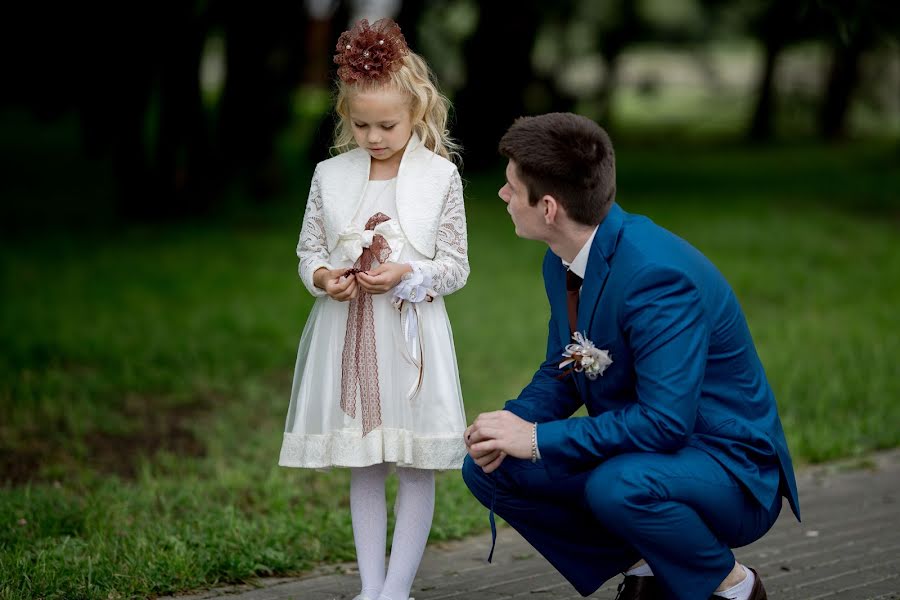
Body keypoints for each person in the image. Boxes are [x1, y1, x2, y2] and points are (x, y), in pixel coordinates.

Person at [462, 113, 800, 600]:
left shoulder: (656, 277)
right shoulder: (563, 260)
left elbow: (665, 422)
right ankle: (648, 565)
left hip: (727, 466)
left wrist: (535, 439)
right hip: (648, 451)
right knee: (491, 469)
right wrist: (507, 426)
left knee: (617, 487)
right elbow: (567, 363)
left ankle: (734, 586)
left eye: (512, 187)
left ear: (550, 207)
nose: (503, 195)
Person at [278, 18, 469, 600]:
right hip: (349, 332)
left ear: (417, 113)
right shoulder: (330, 177)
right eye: (360, 125)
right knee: (364, 459)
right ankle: (371, 586)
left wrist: (408, 272)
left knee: (413, 461)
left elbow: (456, 265)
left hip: (409, 333)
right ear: (345, 119)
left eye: (387, 125)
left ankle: (397, 589)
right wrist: (322, 276)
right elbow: (309, 247)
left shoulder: (440, 178)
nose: (374, 136)